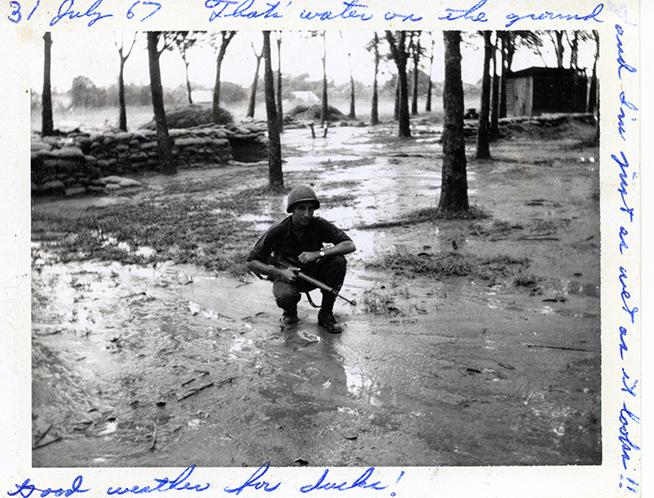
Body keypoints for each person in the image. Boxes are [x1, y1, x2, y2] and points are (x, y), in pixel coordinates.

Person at [246, 185, 356, 334]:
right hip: (286, 277)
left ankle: (326, 314)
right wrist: (279, 272)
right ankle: (290, 313)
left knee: (338, 261)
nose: (307, 214)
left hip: (312, 273)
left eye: (310, 209)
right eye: (301, 209)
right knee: (286, 297)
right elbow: (251, 262)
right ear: (292, 210)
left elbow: (349, 245)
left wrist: (318, 253)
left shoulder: (318, 224)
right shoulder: (278, 229)